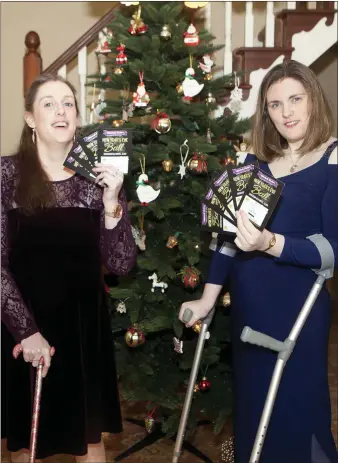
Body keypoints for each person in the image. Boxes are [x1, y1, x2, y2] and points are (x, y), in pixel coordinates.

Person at [179, 60, 338, 462]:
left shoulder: (333, 157)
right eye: (274, 104)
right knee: (253, 408)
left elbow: (333, 249)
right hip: (250, 307)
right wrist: (208, 298)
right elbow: (228, 239)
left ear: (313, 101)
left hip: (299, 308)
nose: (286, 112)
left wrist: (272, 243)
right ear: (265, 112)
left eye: (296, 99)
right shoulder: (254, 163)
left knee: (299, 407)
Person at [1, 74, 137, 462]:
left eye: (68, 103)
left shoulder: (99, 179)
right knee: (26, 441)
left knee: (90, 440)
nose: (61, 111)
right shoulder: (5, 176)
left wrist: (113, 203)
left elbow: (121, 263)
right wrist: (27, 333)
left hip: (82, 329)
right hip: (21, 325)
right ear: (30, 118)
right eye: (49, 103)